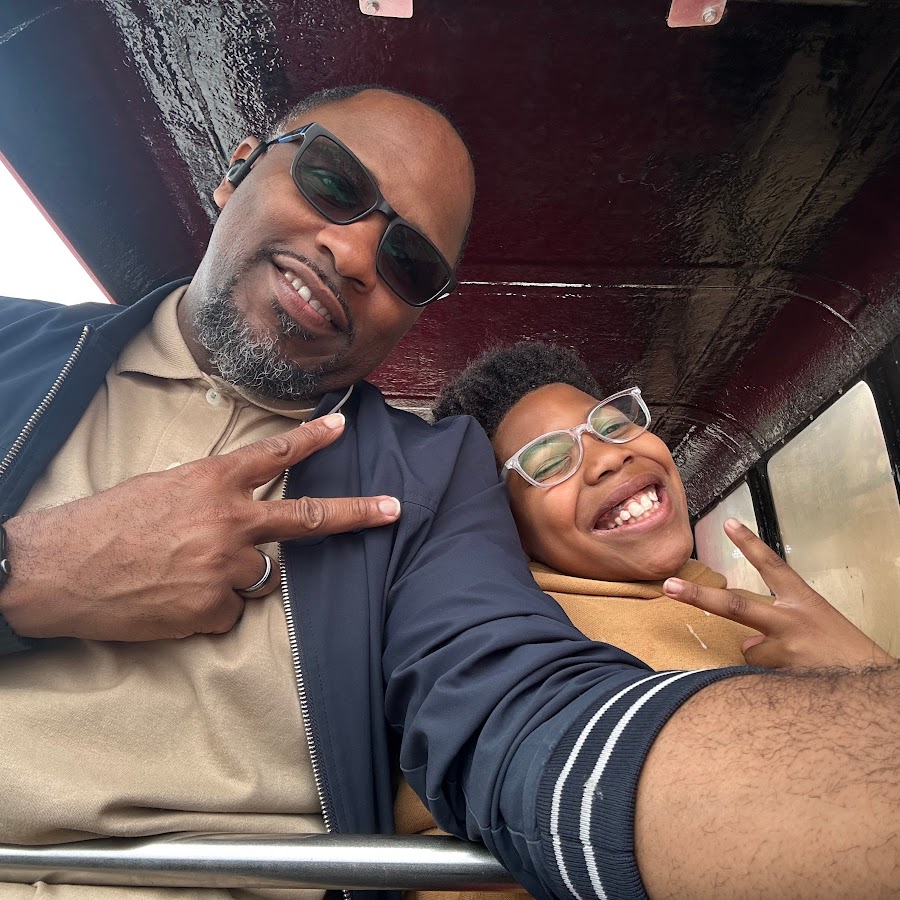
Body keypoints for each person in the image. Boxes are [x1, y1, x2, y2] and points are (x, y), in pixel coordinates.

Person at [0, 85, 897, 900]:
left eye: (410, 261)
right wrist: (22, 571)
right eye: (332, 183)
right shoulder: (14, 344)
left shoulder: (429, 479)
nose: (356, 254)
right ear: (238, 167)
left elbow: (518, 719)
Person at [394, 341, 895, 888]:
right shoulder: (518, 654)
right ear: (510, 528)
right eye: (550, 462)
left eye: (613, 425)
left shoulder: (739, 606)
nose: (610, 457)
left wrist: (860, 665)